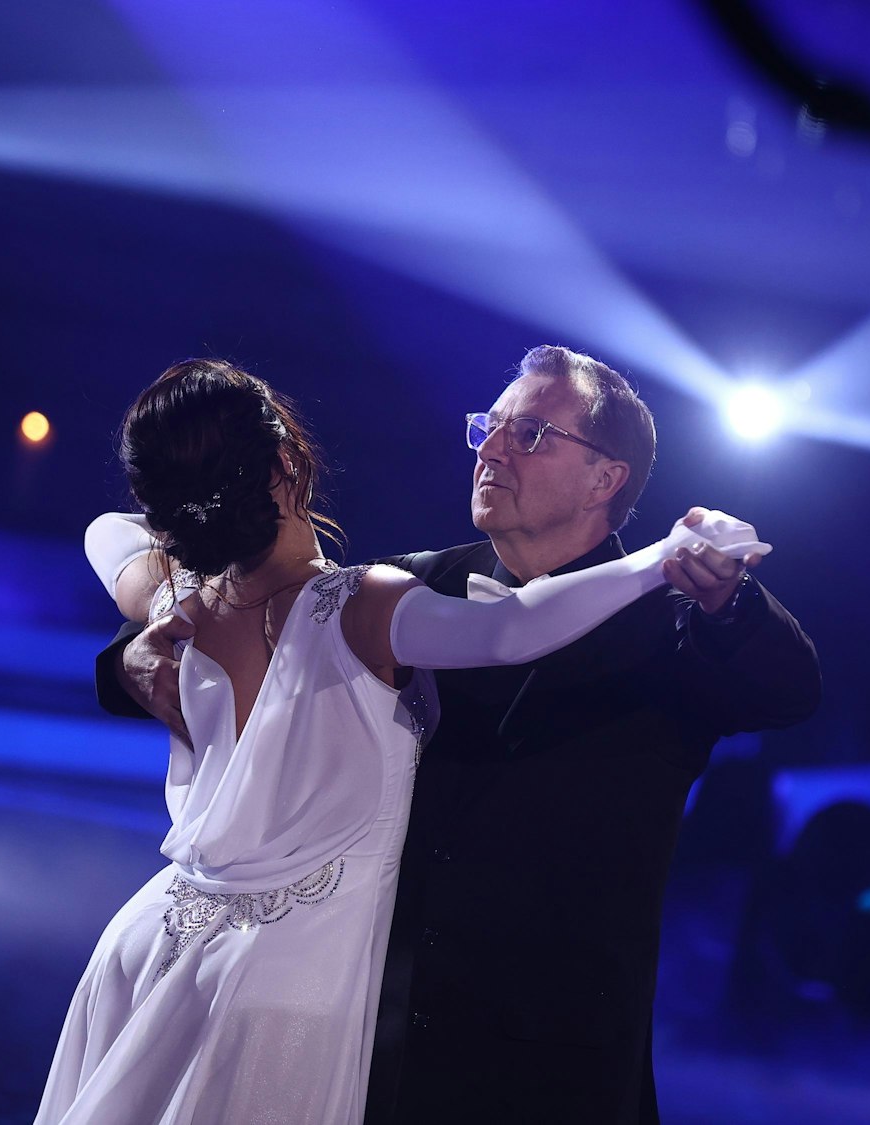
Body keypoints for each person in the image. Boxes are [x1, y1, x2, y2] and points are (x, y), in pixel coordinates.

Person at [94, 345, 822, 1123]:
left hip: (559, 1059)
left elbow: (790, 689)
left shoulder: (675, 623)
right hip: (387, 1040)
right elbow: (259, 610)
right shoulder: (417, 583)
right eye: (489, 426)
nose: (493, 448)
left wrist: (728, 601)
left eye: (531, 434)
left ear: (607, 477)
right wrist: (131, 653)